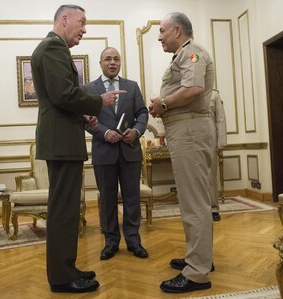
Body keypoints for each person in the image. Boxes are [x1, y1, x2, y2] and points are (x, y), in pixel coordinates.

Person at [31, 4, 125, 294]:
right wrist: (99, 102)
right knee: (62, 211)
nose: (84, 29)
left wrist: (83, 115)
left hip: (62, 139)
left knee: (68, 210)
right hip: (61, 142)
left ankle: (67, 268)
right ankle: (61, 278)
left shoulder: (52, 48)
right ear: (64, 19)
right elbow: (63, 94)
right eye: (82, 22)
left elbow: (61, 99)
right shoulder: (53, 48)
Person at [148, 12, 216, 293]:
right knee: (192, 200)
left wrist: (162, 104)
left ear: (177, 30)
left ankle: (197, 273)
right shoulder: (182, 55)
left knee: (194, 202)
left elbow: (193, 89)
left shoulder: (193, 52)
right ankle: (199, 258)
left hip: (190, 131)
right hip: (185, 131)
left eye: (162, 31)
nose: (159, 36)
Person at [82, 47, 149, 261]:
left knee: (132, 198)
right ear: (100, 63)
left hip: (130, 151)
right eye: (108, 59)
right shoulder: (89, 89)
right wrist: (104, 132)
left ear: (120, 63)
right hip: (104, 152)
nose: (112, 62)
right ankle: (110, 242)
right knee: (107, 200)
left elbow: (142, 113)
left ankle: (133, 241)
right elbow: (86, 119)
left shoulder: (132, 86)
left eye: (116, 59)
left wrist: (137, 131)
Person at [210, 89, 227, 221]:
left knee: (211, 175)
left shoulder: (214, 94)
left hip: (210, 140)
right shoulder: (186, 92)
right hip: (192, 140)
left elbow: (220, 119)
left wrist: (221, 142)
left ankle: (213, 208)